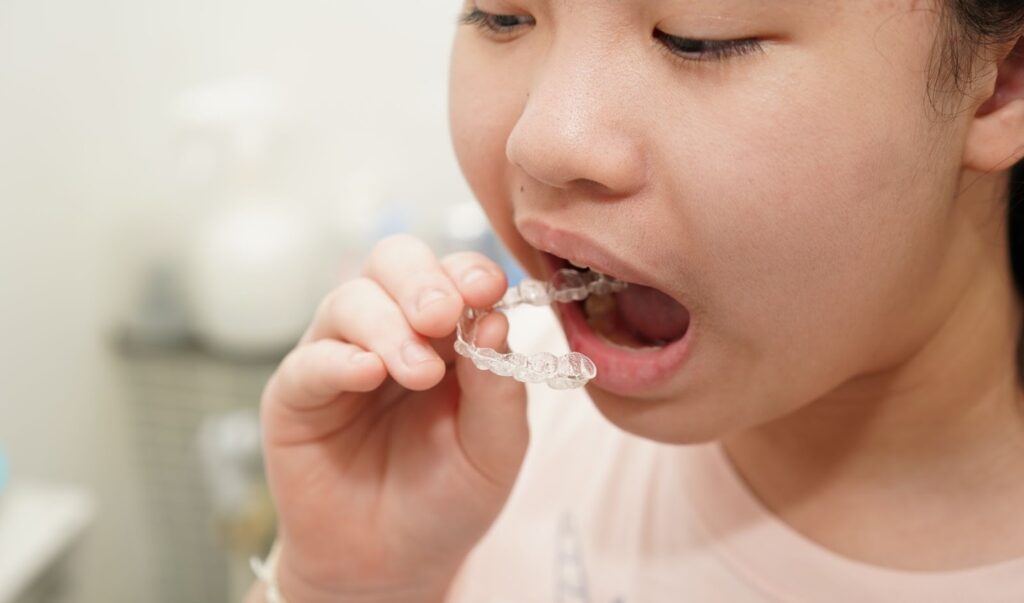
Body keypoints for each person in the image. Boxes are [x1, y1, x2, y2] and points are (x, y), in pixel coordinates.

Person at [245, 0, 1024, 600]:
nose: (542, 139)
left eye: (696, 33)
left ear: (1004, 81)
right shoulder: (460, 431)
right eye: (501, 14)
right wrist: (345, 586)